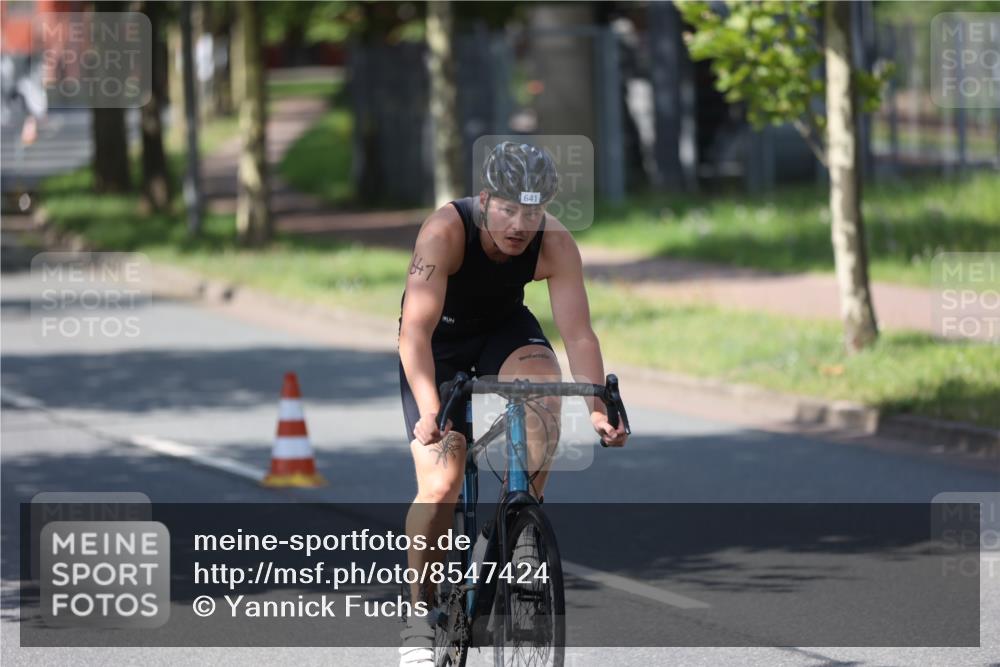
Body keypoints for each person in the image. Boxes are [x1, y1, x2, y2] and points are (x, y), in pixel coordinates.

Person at [396, 141, 628, 665]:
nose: (520, 224)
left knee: (545, 389)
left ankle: (521, 522)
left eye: (532, 211)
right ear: (484, 200)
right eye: (507, 209)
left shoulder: (555, 244)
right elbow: (415, 331)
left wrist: (597, 407)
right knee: (441, 482)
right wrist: (430, 408)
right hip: (442, 343)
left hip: (504, 330)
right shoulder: (445, 232)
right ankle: (418, 613)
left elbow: (580, 336)